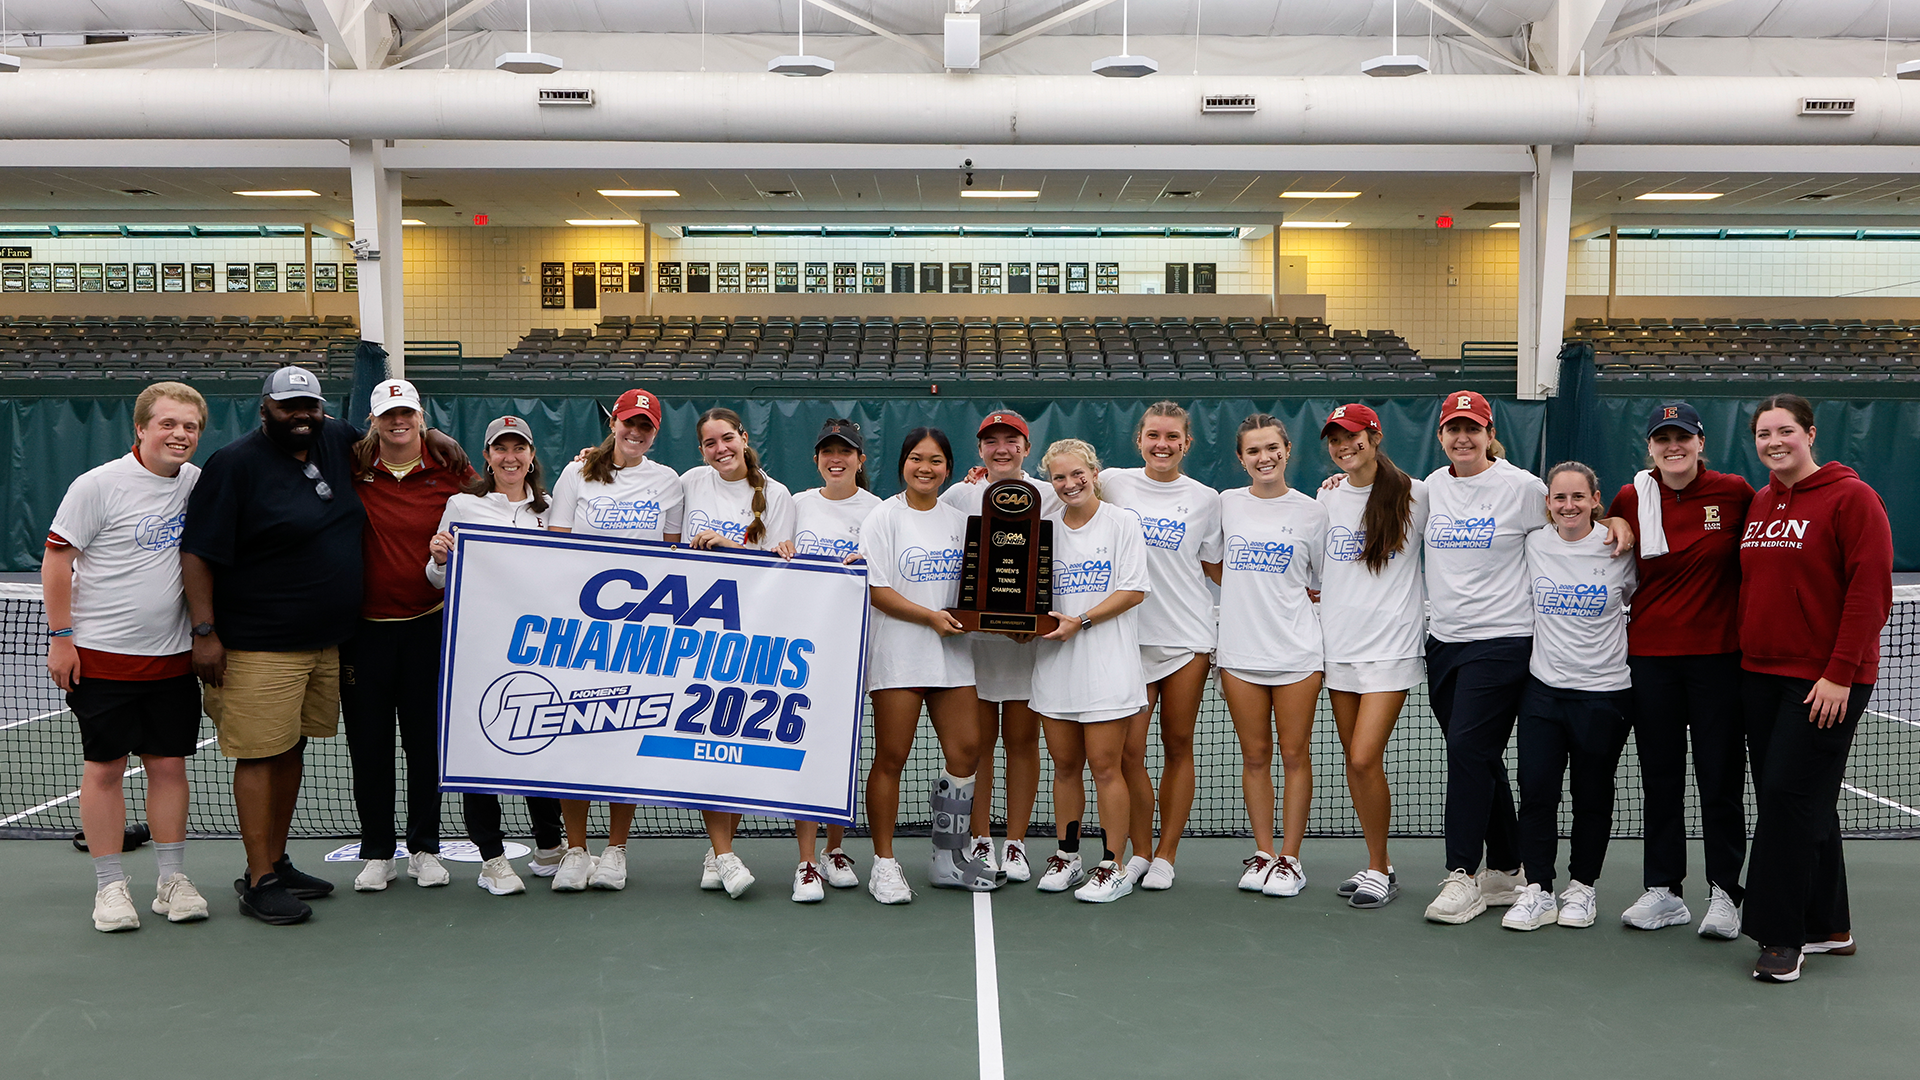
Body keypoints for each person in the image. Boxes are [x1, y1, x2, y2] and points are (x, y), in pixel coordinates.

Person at [1418, 391, 1632, 925]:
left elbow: (1573, 519)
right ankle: (1511, 867)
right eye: (1453, 429)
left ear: (1491, 433)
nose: (1462, 437)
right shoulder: (1429, 489)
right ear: (1441, 436)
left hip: (1504, 641)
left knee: (1468, 747)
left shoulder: (1522, 487)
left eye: (1473, 427)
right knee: (1478, 753)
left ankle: (1462, 873)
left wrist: (1621, 520)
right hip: (1444, 641)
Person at [180, 366, 363, 925]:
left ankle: (277, 862)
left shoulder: (336, 438)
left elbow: (395, 440)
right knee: (260, 753)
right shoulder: (233, 465)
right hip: (258, 644)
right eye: (289, 408)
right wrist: (205, 633)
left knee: (291, 749)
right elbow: (197, 554)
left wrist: (439, 439)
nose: (302, 416)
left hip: (324, 643)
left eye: (310, 405)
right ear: (265, 410)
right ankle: (258, 879)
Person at [45, 382, 211, 932]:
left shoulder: (195, 485)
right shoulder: (97, 485)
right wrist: (61, 636)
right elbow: (56, 560)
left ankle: (170, 881)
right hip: (101, 658)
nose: (179, 434)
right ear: (140, 428)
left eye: (189, 426)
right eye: (167, 423)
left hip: (172, 660)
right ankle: (111, 887)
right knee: (106, 769)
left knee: (168, 766)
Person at [1739, 394, 1892, 984]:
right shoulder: (1759, 503)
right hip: (1760, 675)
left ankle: (1782, 935)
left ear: (1809, 434)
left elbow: (1869, 591)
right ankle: (1831, 925)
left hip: (1826, 680)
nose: (1774, 442)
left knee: (1785, 798)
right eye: (1763, 434)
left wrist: (1838, 673)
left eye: (1784, 431)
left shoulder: (1853, 499)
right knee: (1805, 801)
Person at [1606, 401, 1754, 938]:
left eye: (1683, 438)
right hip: (1650, 660)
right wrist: (1616, 518)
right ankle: (1664, 890)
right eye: (1663, 438)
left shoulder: (1734, 491)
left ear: (1700, 443)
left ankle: (1724, 893)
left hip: (1718, 660)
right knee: (1660, 777)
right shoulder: (1631, 495)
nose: (1674, 447)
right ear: (1649, 447)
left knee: (1719, 778)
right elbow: (1596, 524)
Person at [546, 387, 685, 893]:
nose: (635, 433)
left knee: (625, 737)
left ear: (654, 433)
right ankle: (576, 849)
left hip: (640, 636)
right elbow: (557, 546)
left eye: (645, 427)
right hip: (578, 634)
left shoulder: (668, 481)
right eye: (629, 422)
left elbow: (673, 558)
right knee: (572, 736)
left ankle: (616, 850)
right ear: (613, 423)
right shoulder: (575, 473)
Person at [342, 379, 475, 894]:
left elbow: (510, 493)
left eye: (407, 414)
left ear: (421, 417)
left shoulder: (453, 471)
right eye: (387, 415)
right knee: (369, 749)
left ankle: (424, 848)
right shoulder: (350, 468)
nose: (398, 422)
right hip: (364, 634)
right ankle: (377, 851)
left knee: (426, 748)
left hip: (430, 627)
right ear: (373, 420)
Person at [857, 427, 998, 903]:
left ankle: (946, 856)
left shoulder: (959, 522)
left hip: (954, 656)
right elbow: (876, 590)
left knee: (967, 751)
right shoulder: (883, 517)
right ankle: (883, 863)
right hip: (898, 654)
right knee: (891, 758)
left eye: (936, 460)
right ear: (902, 463)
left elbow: (979, 590)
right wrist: (929, 618)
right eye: (916, 458)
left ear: (948, 469)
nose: (925, 467)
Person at [427, 415, 565, 896]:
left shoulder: (553, 511)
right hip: (477, 650)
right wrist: (440, 558)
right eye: (500, 449)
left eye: (519, 448)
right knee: (477, 750)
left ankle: (550, 846)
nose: (510, 457)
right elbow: (438, 578)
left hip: (541, 650)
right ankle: (492, 859)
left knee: (541, 739)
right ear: (486, 457)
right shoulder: (462, 504)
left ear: (531, 456)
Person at [1503, 462, 1637, 931]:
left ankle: (1583, 887)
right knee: (1537, 792)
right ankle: (1538, 888)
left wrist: (1620, 525)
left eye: (1578, 497)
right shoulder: (1534, 543)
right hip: (1543, 693)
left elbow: (1642, 598)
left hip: (1605, 695)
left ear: (1595, 499)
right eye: (1560, 498)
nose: (1568, 506)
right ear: (1548, 505)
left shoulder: (1618, 546)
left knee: (1592, 795)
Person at [1098, 402, 1222, 891]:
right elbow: (1063, 489)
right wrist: (989, 482)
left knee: (1178, 744)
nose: (1162, 445)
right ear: (1139, 440)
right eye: (1153, 435)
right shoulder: (1113, 482)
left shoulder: (1206, 499)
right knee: (1129, 752)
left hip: (1188, 638)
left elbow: (1215, 567)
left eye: (1172, 437)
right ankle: (1140, 852)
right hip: (1127, 638)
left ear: (1187, 443)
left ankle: (1167, 855)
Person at [941, 410, 1063, 883]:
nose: (1002, 449)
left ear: (1026, 448)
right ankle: (979, 839)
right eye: (991, 442)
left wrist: (1034, 620)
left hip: (1027, 644)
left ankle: (1015, 843)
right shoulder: (958, 495)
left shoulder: (1050, 496)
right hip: (972, 644)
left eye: (1011, 440)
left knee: (1022, 741)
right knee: (977, 746)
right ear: (980, 451)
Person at [682, 406, 798, 898]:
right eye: (710, 443)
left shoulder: (777, 495)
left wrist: (728, 545)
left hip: (754, 633)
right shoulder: (688, 482)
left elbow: (782, 566)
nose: (720, 449)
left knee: (737, 746)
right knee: (706, 746)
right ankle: (725, 854)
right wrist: (589, 457)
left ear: (744, 438)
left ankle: (717, 847)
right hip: (695, 631)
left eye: (727, 438)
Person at [1028, 439, 1150, 902]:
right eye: (1059, 477)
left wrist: (1080, 621)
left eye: (1077, 474)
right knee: (1064, 766)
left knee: (1105, 766)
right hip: (1054, 667)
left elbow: (1134, 589)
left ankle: (1113, 864)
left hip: (1107, 667)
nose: (1069, 483)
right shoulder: (1043, 528)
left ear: (1094, 473)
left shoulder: (1122, 523)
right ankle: (1068, 855)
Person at [1316, 403, 1427, 909]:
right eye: (1335, 439)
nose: (1344, 446)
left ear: (1375, 436)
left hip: (1391, 649)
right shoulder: (1327, 496)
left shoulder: (1416, 494)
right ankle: (1376, 863)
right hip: (1339, 648)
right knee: (1355, 764)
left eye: (1352, 436)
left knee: (1364, 756)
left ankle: (1381, 866)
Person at [1216, 414, 1326, 899]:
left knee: (1294, 754)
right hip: (1239, 653)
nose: (1264, 458)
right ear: (1241, 459)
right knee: (1255, 756)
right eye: (1254, 451)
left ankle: (1290, 859)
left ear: (1287, 451)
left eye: (1272, 448)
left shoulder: (1312, 512)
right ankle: (1263, 853)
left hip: (1298, 653)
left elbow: (1321, 582)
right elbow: (1209, 560)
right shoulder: (1225, 505)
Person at [787, 417, 882, 901]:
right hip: (802, 653)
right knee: (805, 752)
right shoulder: (796, 504)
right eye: (827, 451)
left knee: (842, 754)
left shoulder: (879, 511)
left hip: (854, 651)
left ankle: (834, 849)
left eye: (845, 451)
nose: (836, 458)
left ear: (860, 460)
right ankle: (805, 860)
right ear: (817, 459)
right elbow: (770, 557)